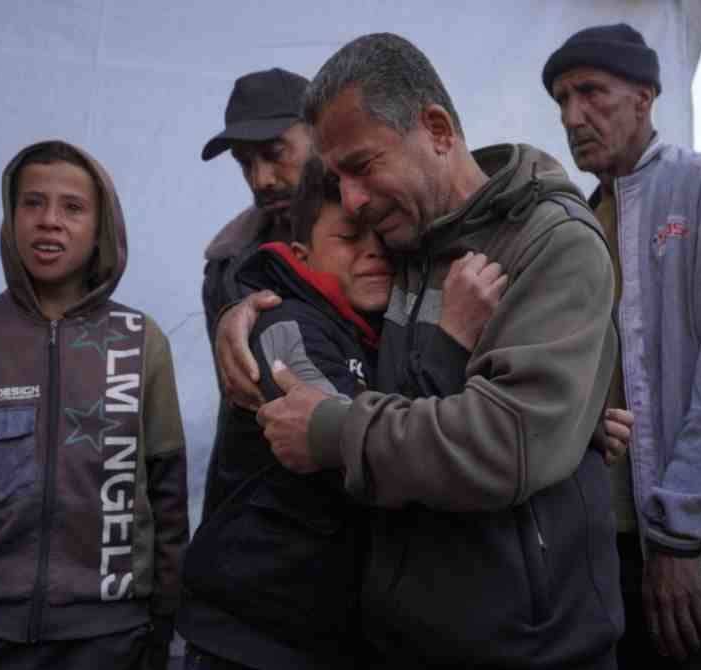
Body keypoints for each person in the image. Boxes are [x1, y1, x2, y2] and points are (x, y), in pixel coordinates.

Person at [219, 32, 622, 669]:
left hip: (528, 648)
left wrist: (330, 428)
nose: (351, 198)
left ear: (435, 129)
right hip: (401, 639)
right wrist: (240, 306)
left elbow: (502, 441)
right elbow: (303, 259)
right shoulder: (401, 238)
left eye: (362, 166)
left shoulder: (554, 243)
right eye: (338, 177)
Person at [181, 157, 504, 669]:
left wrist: (537, 416)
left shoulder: (379, 329)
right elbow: (359, 454)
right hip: (256, 635)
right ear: (301, 254)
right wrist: (451, 341)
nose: (374, 251)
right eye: (349, 238)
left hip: (329, 632)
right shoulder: (281, 326)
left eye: (382, 235)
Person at [542, 24, 701, 670]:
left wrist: (679, 537)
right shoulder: (576, 222)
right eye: (562, 100)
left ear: (646, 96)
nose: (573, 115)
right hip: (607, 556)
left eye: (591, 92)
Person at [0, 140, 188, 669]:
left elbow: (168, 498)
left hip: (112, 635)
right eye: (32, 202)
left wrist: (162, 624)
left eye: (72, 207)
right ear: (10, 219)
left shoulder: (140, 340)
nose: (49, 221)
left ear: (101, 228)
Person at [177, 67, 314, 665]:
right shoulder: (227, 270)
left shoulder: (384, 245)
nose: (261, 179)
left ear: (322, 134)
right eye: (245, 164)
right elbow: (242, 423)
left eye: (274, 154)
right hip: (252, 561)